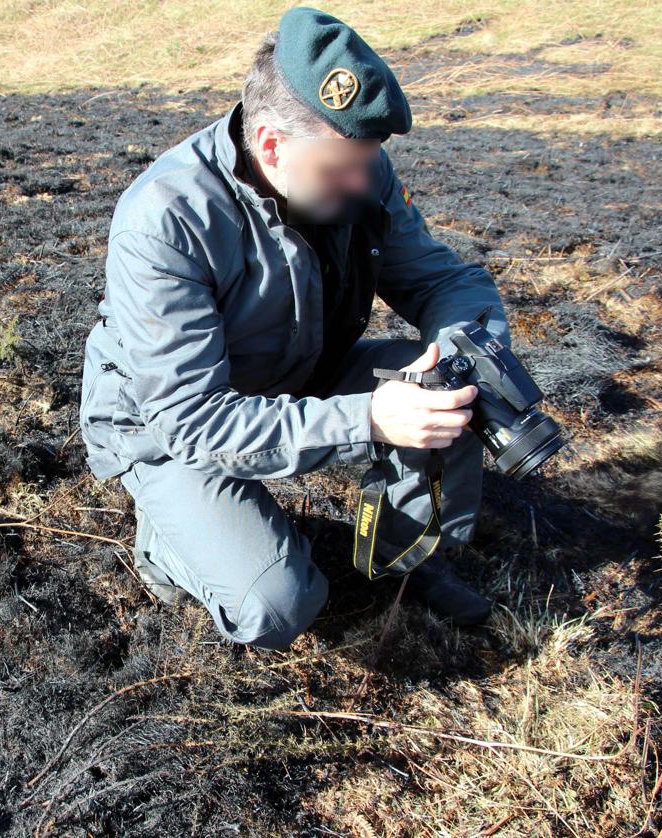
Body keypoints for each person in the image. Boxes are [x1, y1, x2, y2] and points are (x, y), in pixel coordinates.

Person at [78, 7, 512, 650]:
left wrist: (458, 352)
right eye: (342, 168)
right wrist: (368, 419)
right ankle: (166, 547)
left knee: (460, 387)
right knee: (279, 605)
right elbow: (192, 419)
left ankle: (402, 564)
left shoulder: (356, 169)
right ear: (272, 144)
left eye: (369, 162)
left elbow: (442, 282)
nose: (365, 181)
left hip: (303, 370)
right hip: (167, 428)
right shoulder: (165, 220)